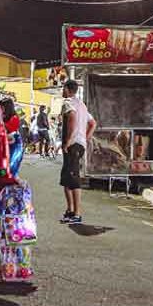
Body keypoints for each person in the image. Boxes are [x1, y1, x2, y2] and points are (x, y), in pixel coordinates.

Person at [60, 79, 96, 224]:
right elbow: (93, 123)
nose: (62, 91)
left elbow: (72, 118)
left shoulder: (68, 103)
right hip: (78, 144)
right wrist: (85, 138)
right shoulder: (82, 105)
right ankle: (70, 211)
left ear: (68, 89)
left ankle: (77, 214)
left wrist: (68, 141)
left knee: (73, 179)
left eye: (63, 88)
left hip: (73, 145)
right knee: (66, 180)